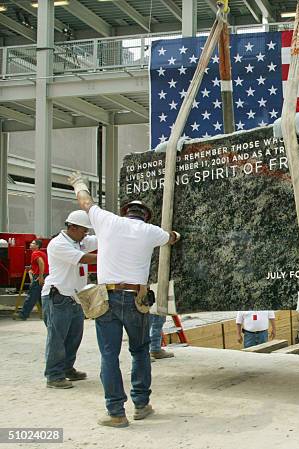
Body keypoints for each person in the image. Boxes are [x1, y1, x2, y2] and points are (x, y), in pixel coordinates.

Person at [68, 172, 181, 428]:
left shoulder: (107, 221)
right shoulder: (151, 231)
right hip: (135, 298)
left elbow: (85, 202)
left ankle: (116, 413)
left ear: (125, 212)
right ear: (145, 216)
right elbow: (171, 238)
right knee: (140, 350)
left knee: (109, 355)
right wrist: (175, 234)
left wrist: (78, 183)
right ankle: (141, 405)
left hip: (106, 297)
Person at [41, 211, 97, 389]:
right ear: (72, 227)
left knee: (74, 337)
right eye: (83, 231)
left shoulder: (79, 241)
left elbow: (100, 240)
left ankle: (67, 368)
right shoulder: (58, 244)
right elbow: (83, 258)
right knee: (57, 338)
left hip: (75, 298)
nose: (85, 235)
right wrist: (110, 258)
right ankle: (54, 375)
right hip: (58, 296)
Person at [17, 239, 49, 320]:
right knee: (41, 297)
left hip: (39, 276)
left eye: (33, 243)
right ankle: (47, 315)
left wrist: (40, 276)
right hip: (45, 275)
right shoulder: (42, 253)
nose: (30, 244)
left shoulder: (35, 253)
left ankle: (23, 315)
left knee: (31, 296)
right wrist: (31, 267)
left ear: (37, 246)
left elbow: (41, 263)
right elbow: (40, 264)